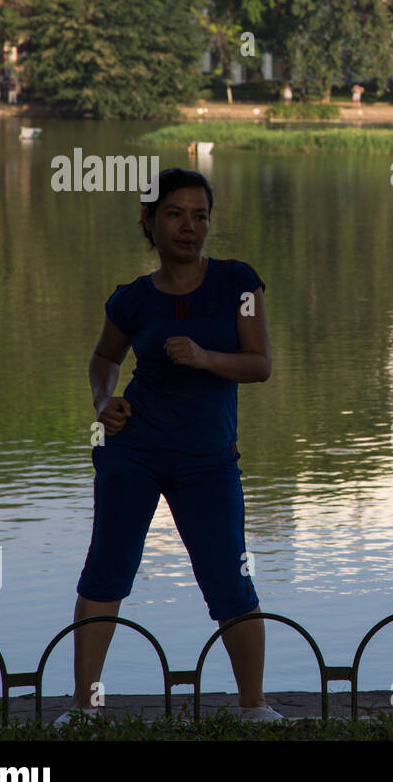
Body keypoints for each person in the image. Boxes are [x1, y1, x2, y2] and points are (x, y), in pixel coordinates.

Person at [55, 168, 279, 725]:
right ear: (150, 222)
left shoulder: (239, 285)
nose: (189, 227)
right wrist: (102, 402)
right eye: (175, 214)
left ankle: (254, 707)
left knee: (230, 578)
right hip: (134, 450)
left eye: (200, 216)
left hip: (208, 458)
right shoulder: (132, 299)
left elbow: (260, 365)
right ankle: (84, 707)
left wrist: (205, 358)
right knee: (106, 571)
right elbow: (103, 359)